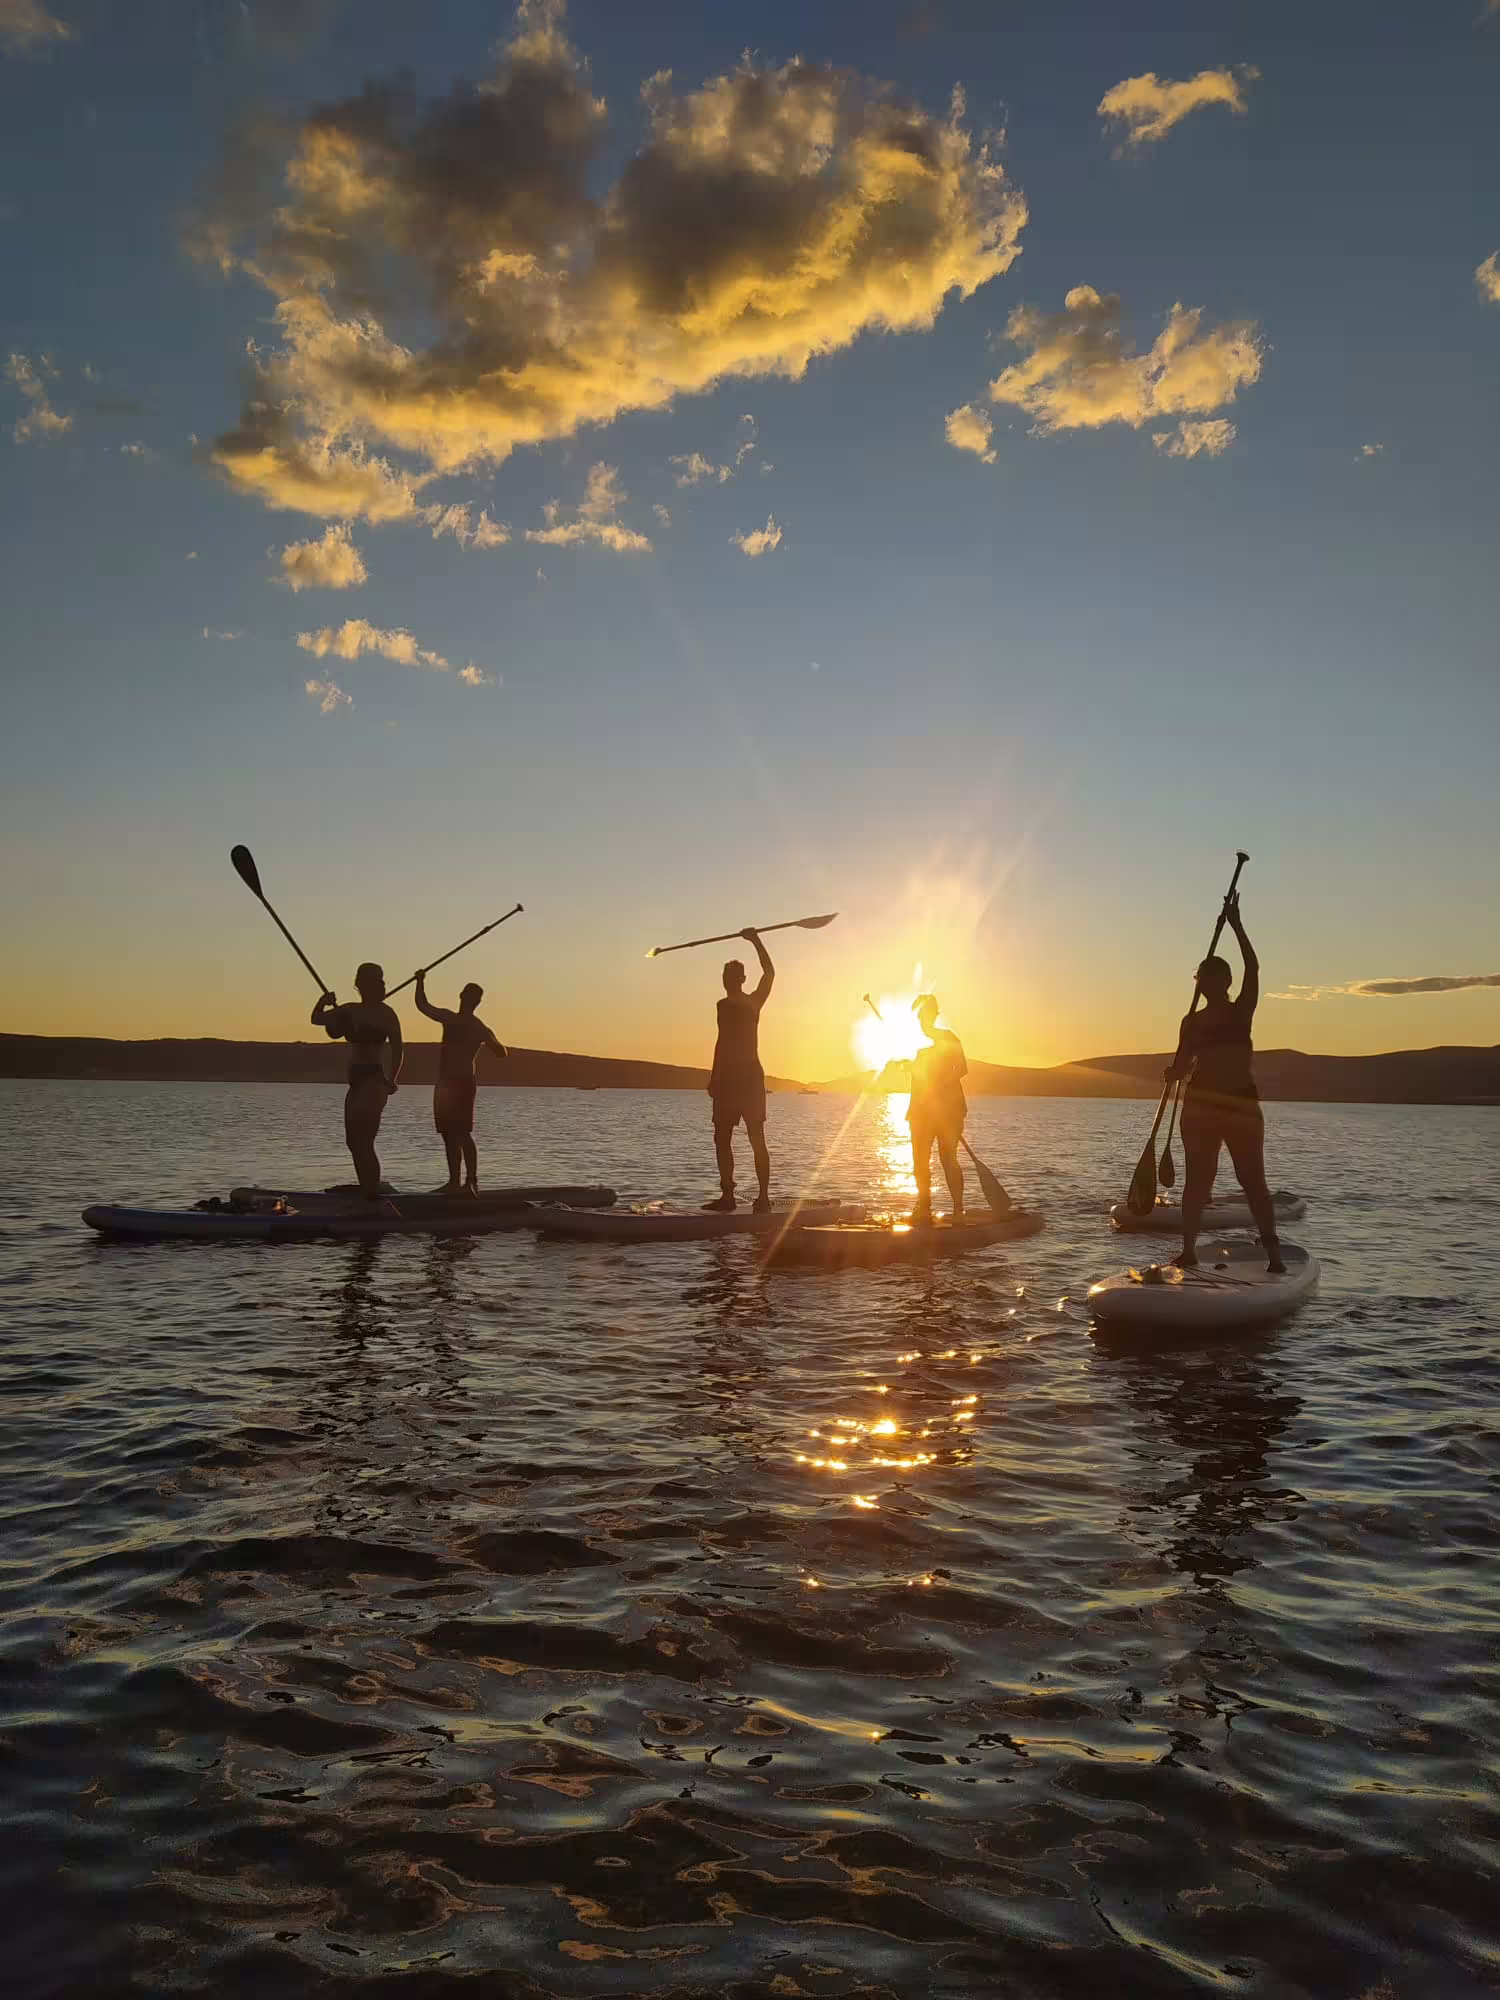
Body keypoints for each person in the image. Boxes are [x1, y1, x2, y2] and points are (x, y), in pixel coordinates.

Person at [1169, 891, 1284, 1272]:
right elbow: (1183, 1065)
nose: (1208, 981)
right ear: (1198, 982)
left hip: (1239, 1105)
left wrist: (1237, 925)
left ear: (1227, 981)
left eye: (1215, 976)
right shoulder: (1192, 1022)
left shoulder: (1241, 1011)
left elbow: (1254, 967)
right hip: (1199, 1106)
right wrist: (1173, 1073)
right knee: (1197, 1183)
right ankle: (1188, 1250)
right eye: (1203, 976)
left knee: (1252, 1180)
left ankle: (1273, 1254)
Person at [312, 964, 403, 1198]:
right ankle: (367, 1187)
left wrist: (392, 1079)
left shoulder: (386, 1013)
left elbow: (398, 1048)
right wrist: (324, 1000)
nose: (378, 986)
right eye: (370, 982)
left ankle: (372, 1192)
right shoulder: (349, 1010)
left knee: (364, 1140)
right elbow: (317, 1019)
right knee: (353, 1141)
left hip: (374, 1080)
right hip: (355, 1081)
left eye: (378, 982)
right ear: (360, 985)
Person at [413, 973, 507, 1194]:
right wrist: (420, 982)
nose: (468, 1000)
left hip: (463, 1083)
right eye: (467, 996)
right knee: (448, 1133)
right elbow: (423, 1006)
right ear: (462, 996)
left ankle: (471, 1181)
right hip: (445, 1083)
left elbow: (502, 1052)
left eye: (472, 998)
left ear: (476, 1002)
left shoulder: (478, 1027)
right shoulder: (450, 1018)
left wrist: (488, 1041)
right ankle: (454, 1182)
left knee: (462, 1132)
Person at [705, 928, 774, 1213]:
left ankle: (763, 1198)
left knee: (756, 1136)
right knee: (721, 1137)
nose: (726, 982)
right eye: (724, 978)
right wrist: (713, 1076)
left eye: (732, 978)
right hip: (727, 1082)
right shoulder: (721, 1005)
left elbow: (769, 973)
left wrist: (756, 940)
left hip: (750, 1081)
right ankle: (728, 1196)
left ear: (742, 980)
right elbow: (721, 1042)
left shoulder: (752, 1003)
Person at [907, 994, 968, 1225]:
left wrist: (938, 1086)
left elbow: (962, 1068)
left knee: (948, 1159)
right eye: (920, 1018)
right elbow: (919, 1077)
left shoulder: (948, 1038)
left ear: (934, 1015)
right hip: (920, 1112)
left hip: (948, 1112)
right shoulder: (922, 1052)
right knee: (919, 1161)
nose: (922, 1022)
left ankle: (958, 1210)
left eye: (926, 1016)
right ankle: (923, 1208)